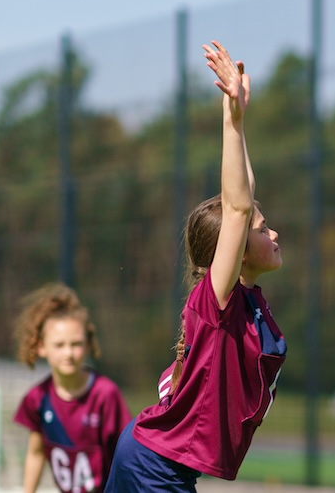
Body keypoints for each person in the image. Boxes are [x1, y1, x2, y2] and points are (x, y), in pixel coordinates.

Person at [104, 40, 286, 492]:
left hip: (161, 462)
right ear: (235, 248)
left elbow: (244, 199)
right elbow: (238, 208)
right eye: (263, 229)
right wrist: (232, 125)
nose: (273, 234)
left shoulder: (244, 300)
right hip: (154, 465)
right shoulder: (217, 301)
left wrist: (233, 113)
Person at [12, 283, 130, 493]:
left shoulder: (105, 394)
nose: (68, 353)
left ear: (87, 345)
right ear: (41, 347)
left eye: (75, 344)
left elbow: (126, 454)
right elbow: (36, 453)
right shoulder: (37, 398)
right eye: (59, 345)